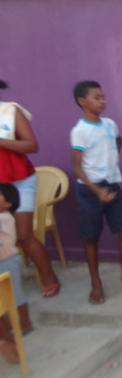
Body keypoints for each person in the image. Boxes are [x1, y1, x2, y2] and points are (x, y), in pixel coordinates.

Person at [70, 80, 122, 305]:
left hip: (113, 186)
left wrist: (110, 161)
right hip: (90, 191)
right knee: (91, 238)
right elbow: (77, 167)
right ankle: (96, 283)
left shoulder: (110, 124)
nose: (102, 101)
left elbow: (118, 141)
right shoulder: (79, 132)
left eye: (103, 97)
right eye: (96, 97)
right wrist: (96, 191)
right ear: (82, 102)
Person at [0, 80, 60, 297]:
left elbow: (32, 145)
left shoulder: (10, 111)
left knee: (24, 235)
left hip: (19, 180)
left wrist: (1, 141)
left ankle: (48, 276)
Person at [0, 183, 33, 364]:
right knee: (6, 297)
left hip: (8, 262)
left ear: (8, 204)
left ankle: (24, 322)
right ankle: (11, 324)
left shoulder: (4, 218)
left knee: (16, 294)